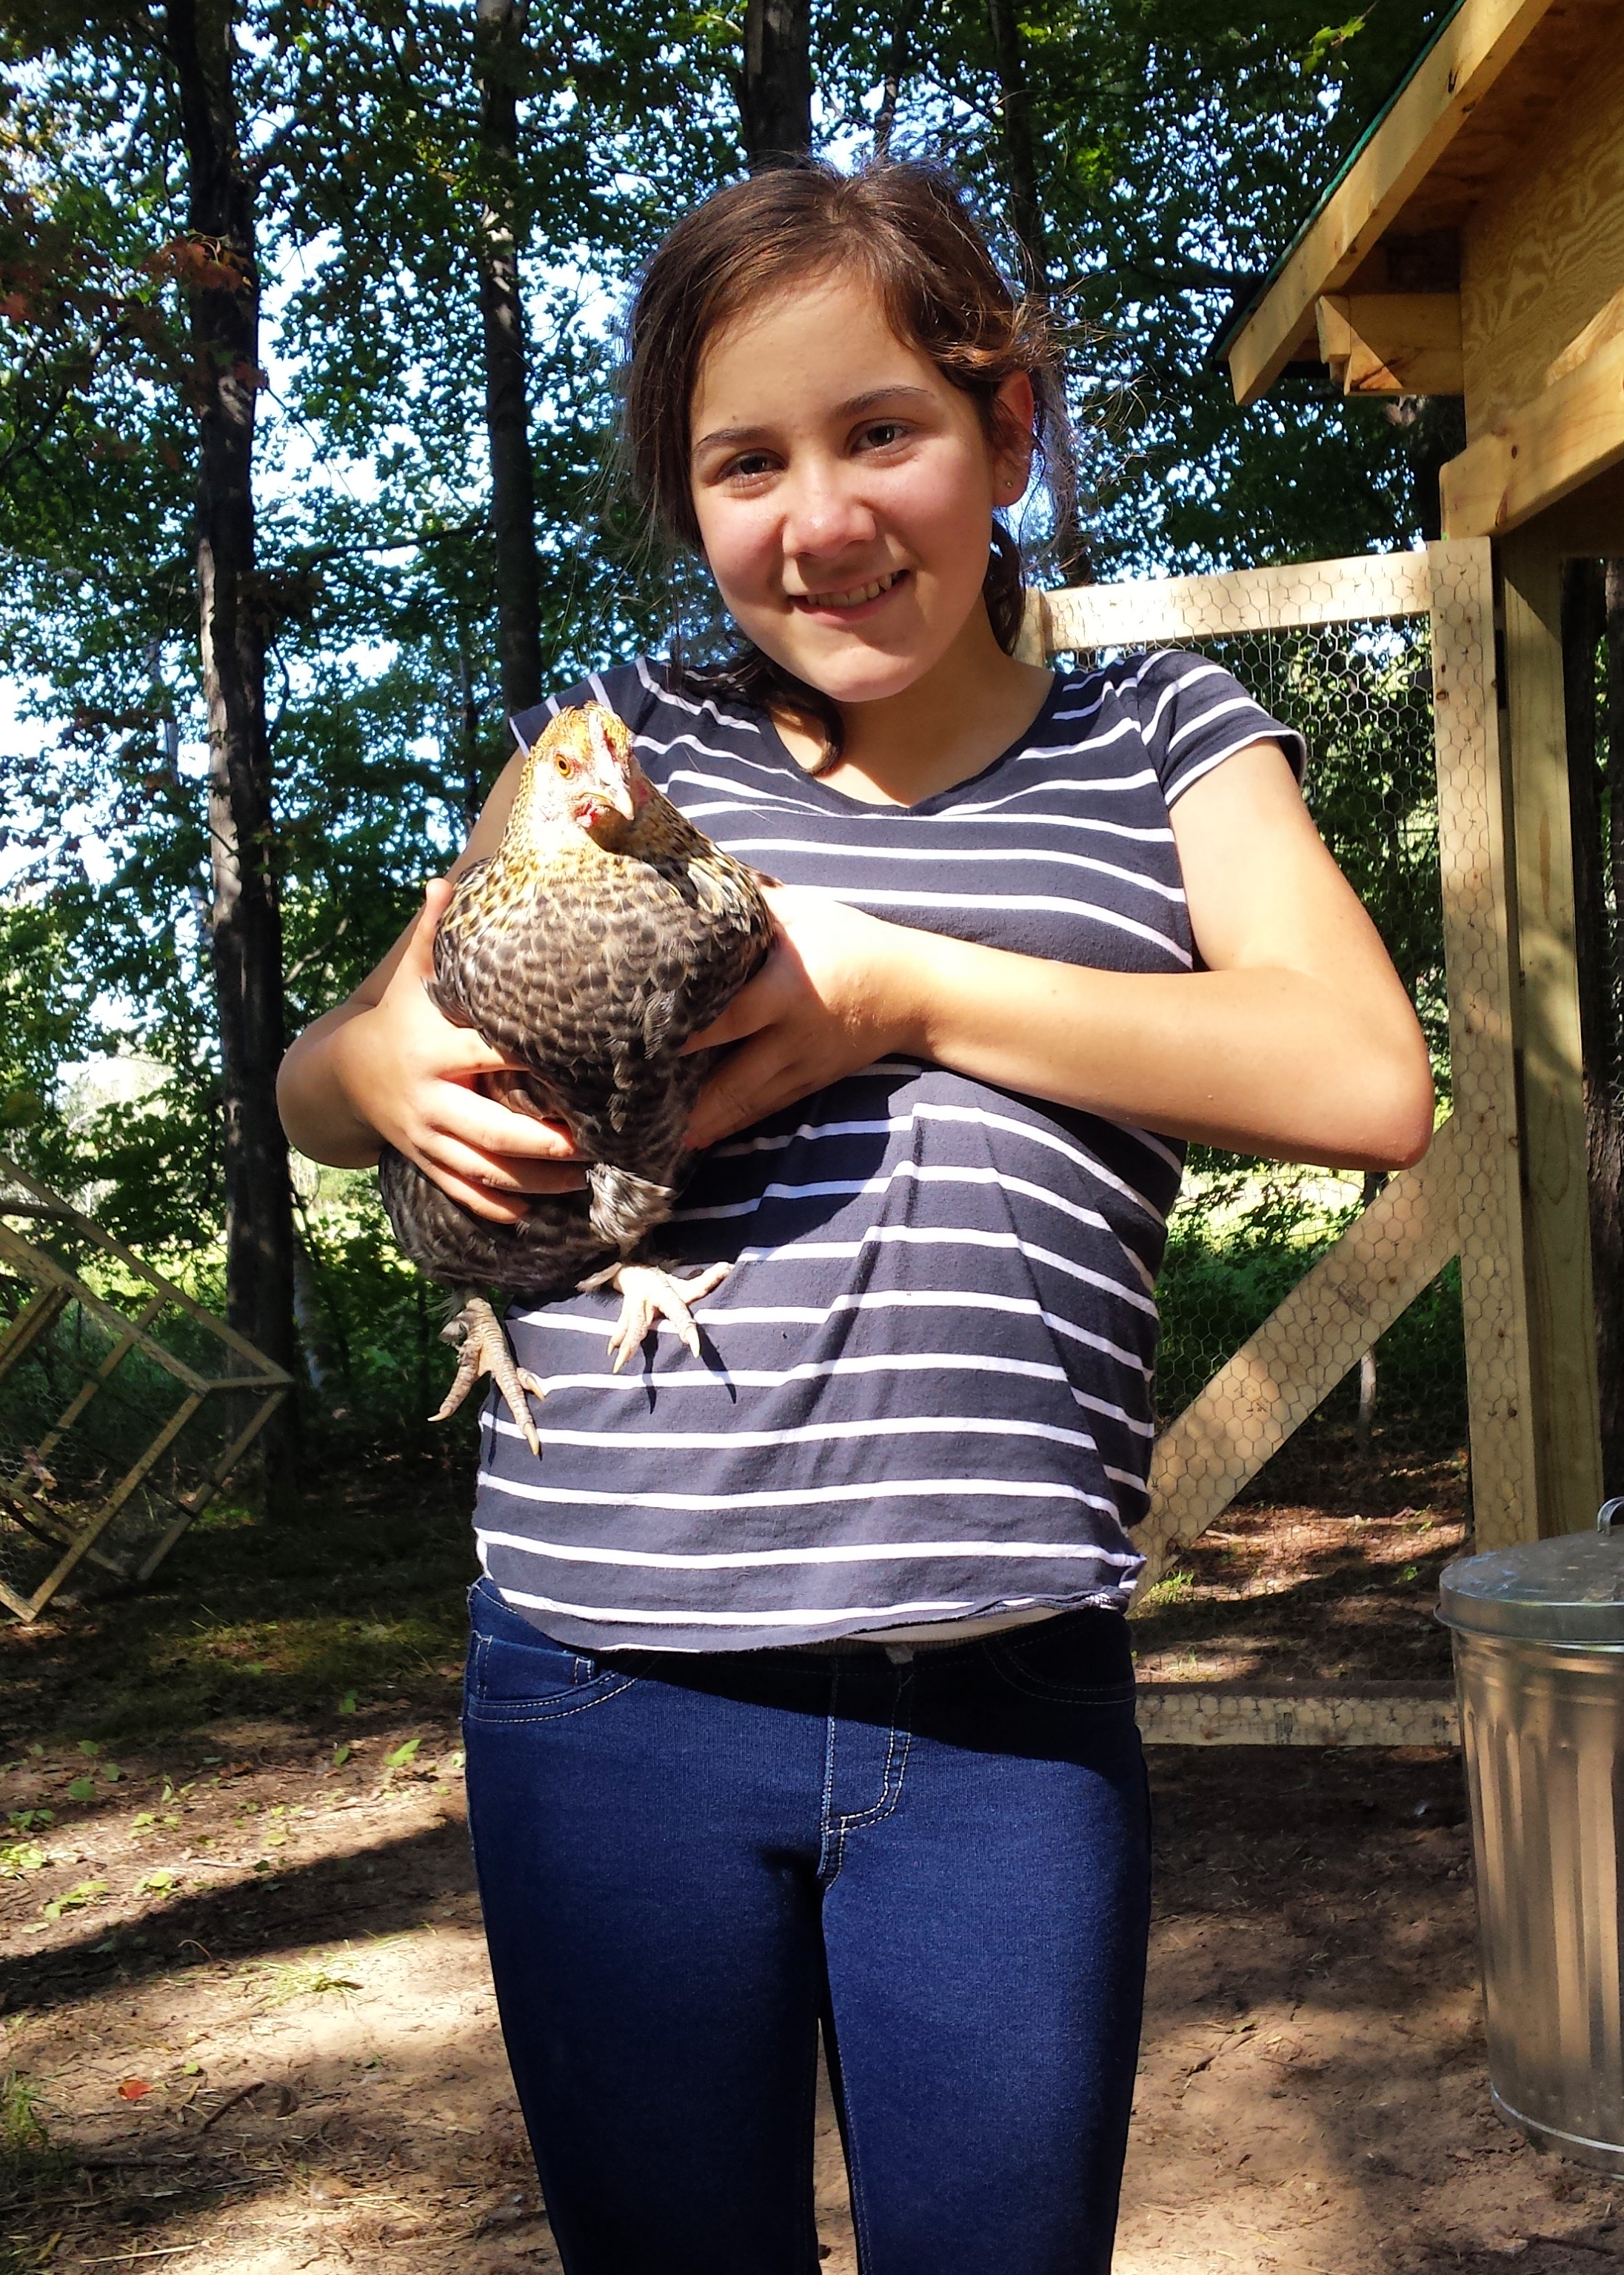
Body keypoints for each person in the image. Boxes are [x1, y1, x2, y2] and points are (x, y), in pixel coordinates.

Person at [277, 161, 1431, 2275]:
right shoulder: (623, 752)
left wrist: (896, 988)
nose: (821, 519)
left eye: (882, 431)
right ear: (690, 500)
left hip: (1001, 1704)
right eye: (747, 465)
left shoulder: (1162, 741)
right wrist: (373, 1077)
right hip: (608, 1690)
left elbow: (1366, 1079)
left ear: (1010, 426)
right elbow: (326, 1070)